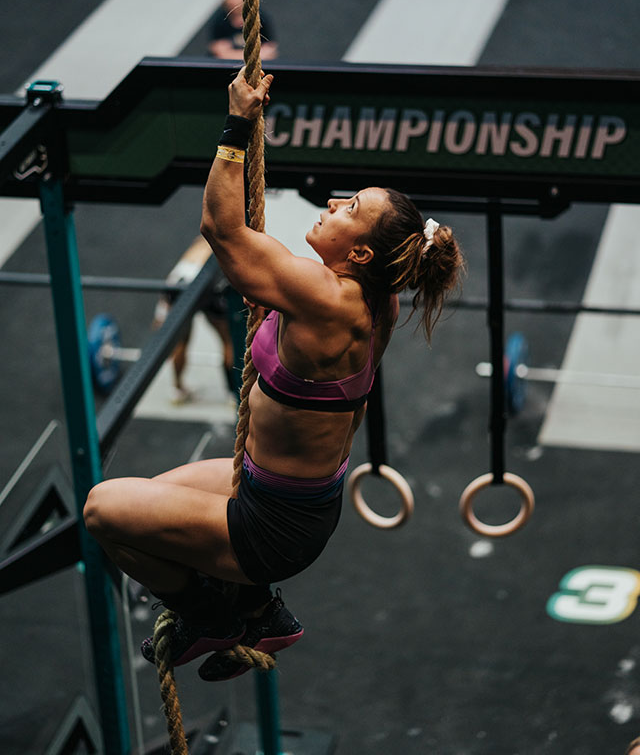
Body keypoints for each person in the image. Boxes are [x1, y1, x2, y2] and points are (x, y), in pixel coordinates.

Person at [83, 68, 464, 682]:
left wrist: (237, 125)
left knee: (103, 511)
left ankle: (208, 615)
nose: (334, 203)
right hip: (274, 488)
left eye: (350, 209)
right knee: (149, 504)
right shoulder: (374, 296)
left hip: (270, 527)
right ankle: (261, 608)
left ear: (361, 254)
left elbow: (222, 230)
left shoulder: (329, 299)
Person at [152, 235, 235, 404]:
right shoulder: (226, 241)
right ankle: (232, 394)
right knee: (228, 340)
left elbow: (170, 283)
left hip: (181, 284)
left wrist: (160, 315)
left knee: (181, 343)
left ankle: (177, 390)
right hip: (208, 285)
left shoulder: (196, 245)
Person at [207, 0, 278, 61]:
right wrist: (255, 56)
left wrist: (232, 54)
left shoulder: (261, 18)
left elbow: (270, 51)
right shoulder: (220, 20)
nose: (232, 0)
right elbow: (220, 53)